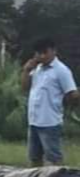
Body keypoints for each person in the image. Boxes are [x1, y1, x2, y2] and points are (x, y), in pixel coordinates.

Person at [21, 38, 79, 166]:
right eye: (38, 53)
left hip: (50, 122)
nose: (41, 56)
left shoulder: (61, 70)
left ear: (53, 51)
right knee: (34, 158)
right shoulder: (37, 69)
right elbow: (25, 88)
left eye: (44, 52)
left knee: (53, 158)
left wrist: (68, 104)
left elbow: (72, 93)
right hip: (34, 120)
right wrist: (26, 70)